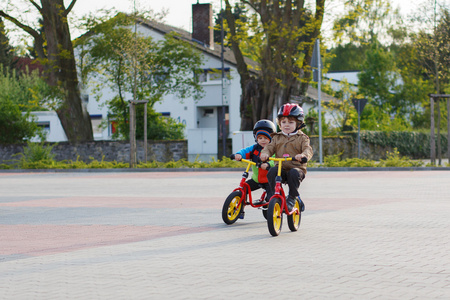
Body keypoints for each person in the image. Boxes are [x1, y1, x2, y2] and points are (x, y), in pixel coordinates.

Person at [260, 103, 313, 212]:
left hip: (297, 169)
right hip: (281, 169)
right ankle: (275, 194)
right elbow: (269, 147)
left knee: (294, 173)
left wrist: (303, 155)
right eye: (283, 122)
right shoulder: (276, 137)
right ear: (279, 123)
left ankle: (292, 198)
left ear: (298, 123)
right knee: (272, 171)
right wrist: (265, 154)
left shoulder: (302, 138)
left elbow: (308, 149)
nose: (286, 125)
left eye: (291, 122)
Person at [234, 120, 276, 218]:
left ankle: (272, 212)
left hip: (270, 180)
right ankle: (240, 209)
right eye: (260, 138)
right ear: (256, 138)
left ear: (271, 138)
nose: (263, 140)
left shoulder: (272, 149)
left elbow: (276, 160)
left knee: (271, 198)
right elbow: (245, 151)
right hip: (256, 179)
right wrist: (239, 154)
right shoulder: (254, 148)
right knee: (244, 188)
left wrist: (268, 164)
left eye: (266, 138)